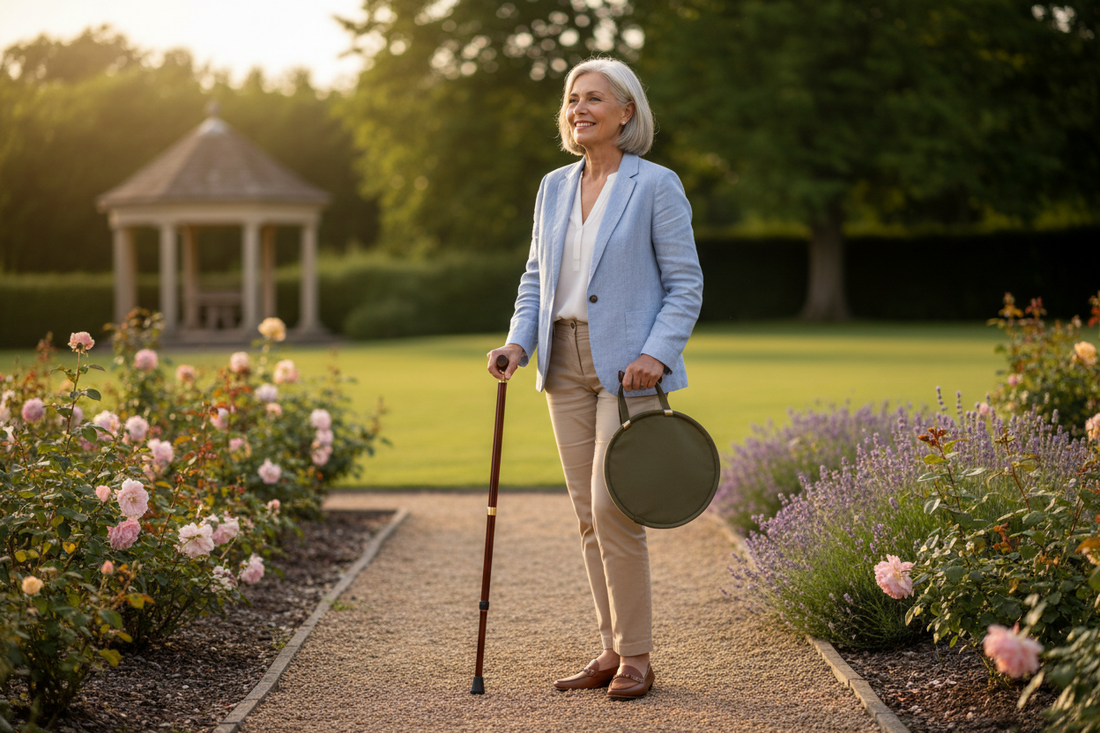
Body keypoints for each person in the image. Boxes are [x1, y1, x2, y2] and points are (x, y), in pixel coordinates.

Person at [486, 57, 703, 700]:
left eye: (594, 99)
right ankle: (609, 649)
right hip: (561, 362)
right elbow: (536, 280)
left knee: (615, 507)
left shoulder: (656, 185)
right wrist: (517, 343)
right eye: (572, 99)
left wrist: (657, 356)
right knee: (586, 513)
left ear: (626, 112)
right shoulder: (553, 187)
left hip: (629, 371)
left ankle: (637, 655)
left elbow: (685, 284)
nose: (579, 108)